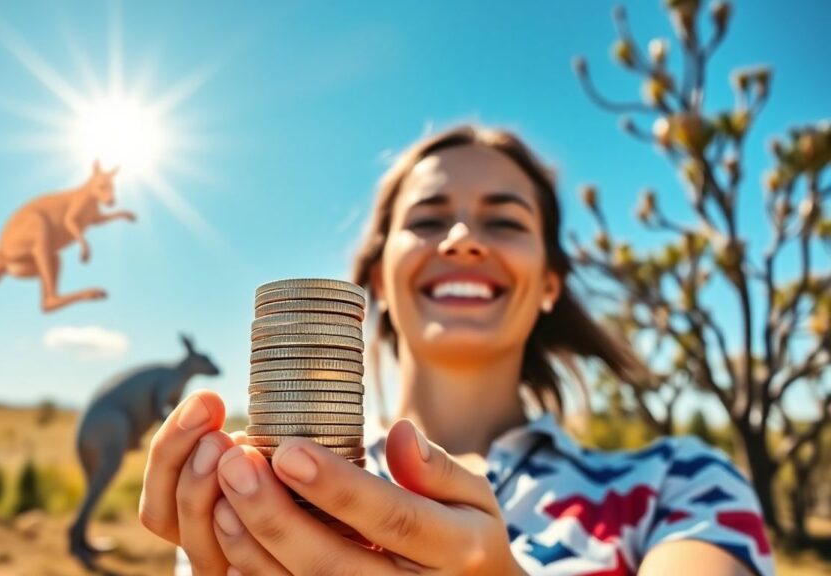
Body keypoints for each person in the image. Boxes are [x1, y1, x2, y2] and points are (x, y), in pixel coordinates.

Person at [138, 125, 773, 575]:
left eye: (505, 220)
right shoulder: (262, 495)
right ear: (379, 277)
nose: (463, 237)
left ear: (549, 283)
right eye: (427, 219)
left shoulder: (683, 484)